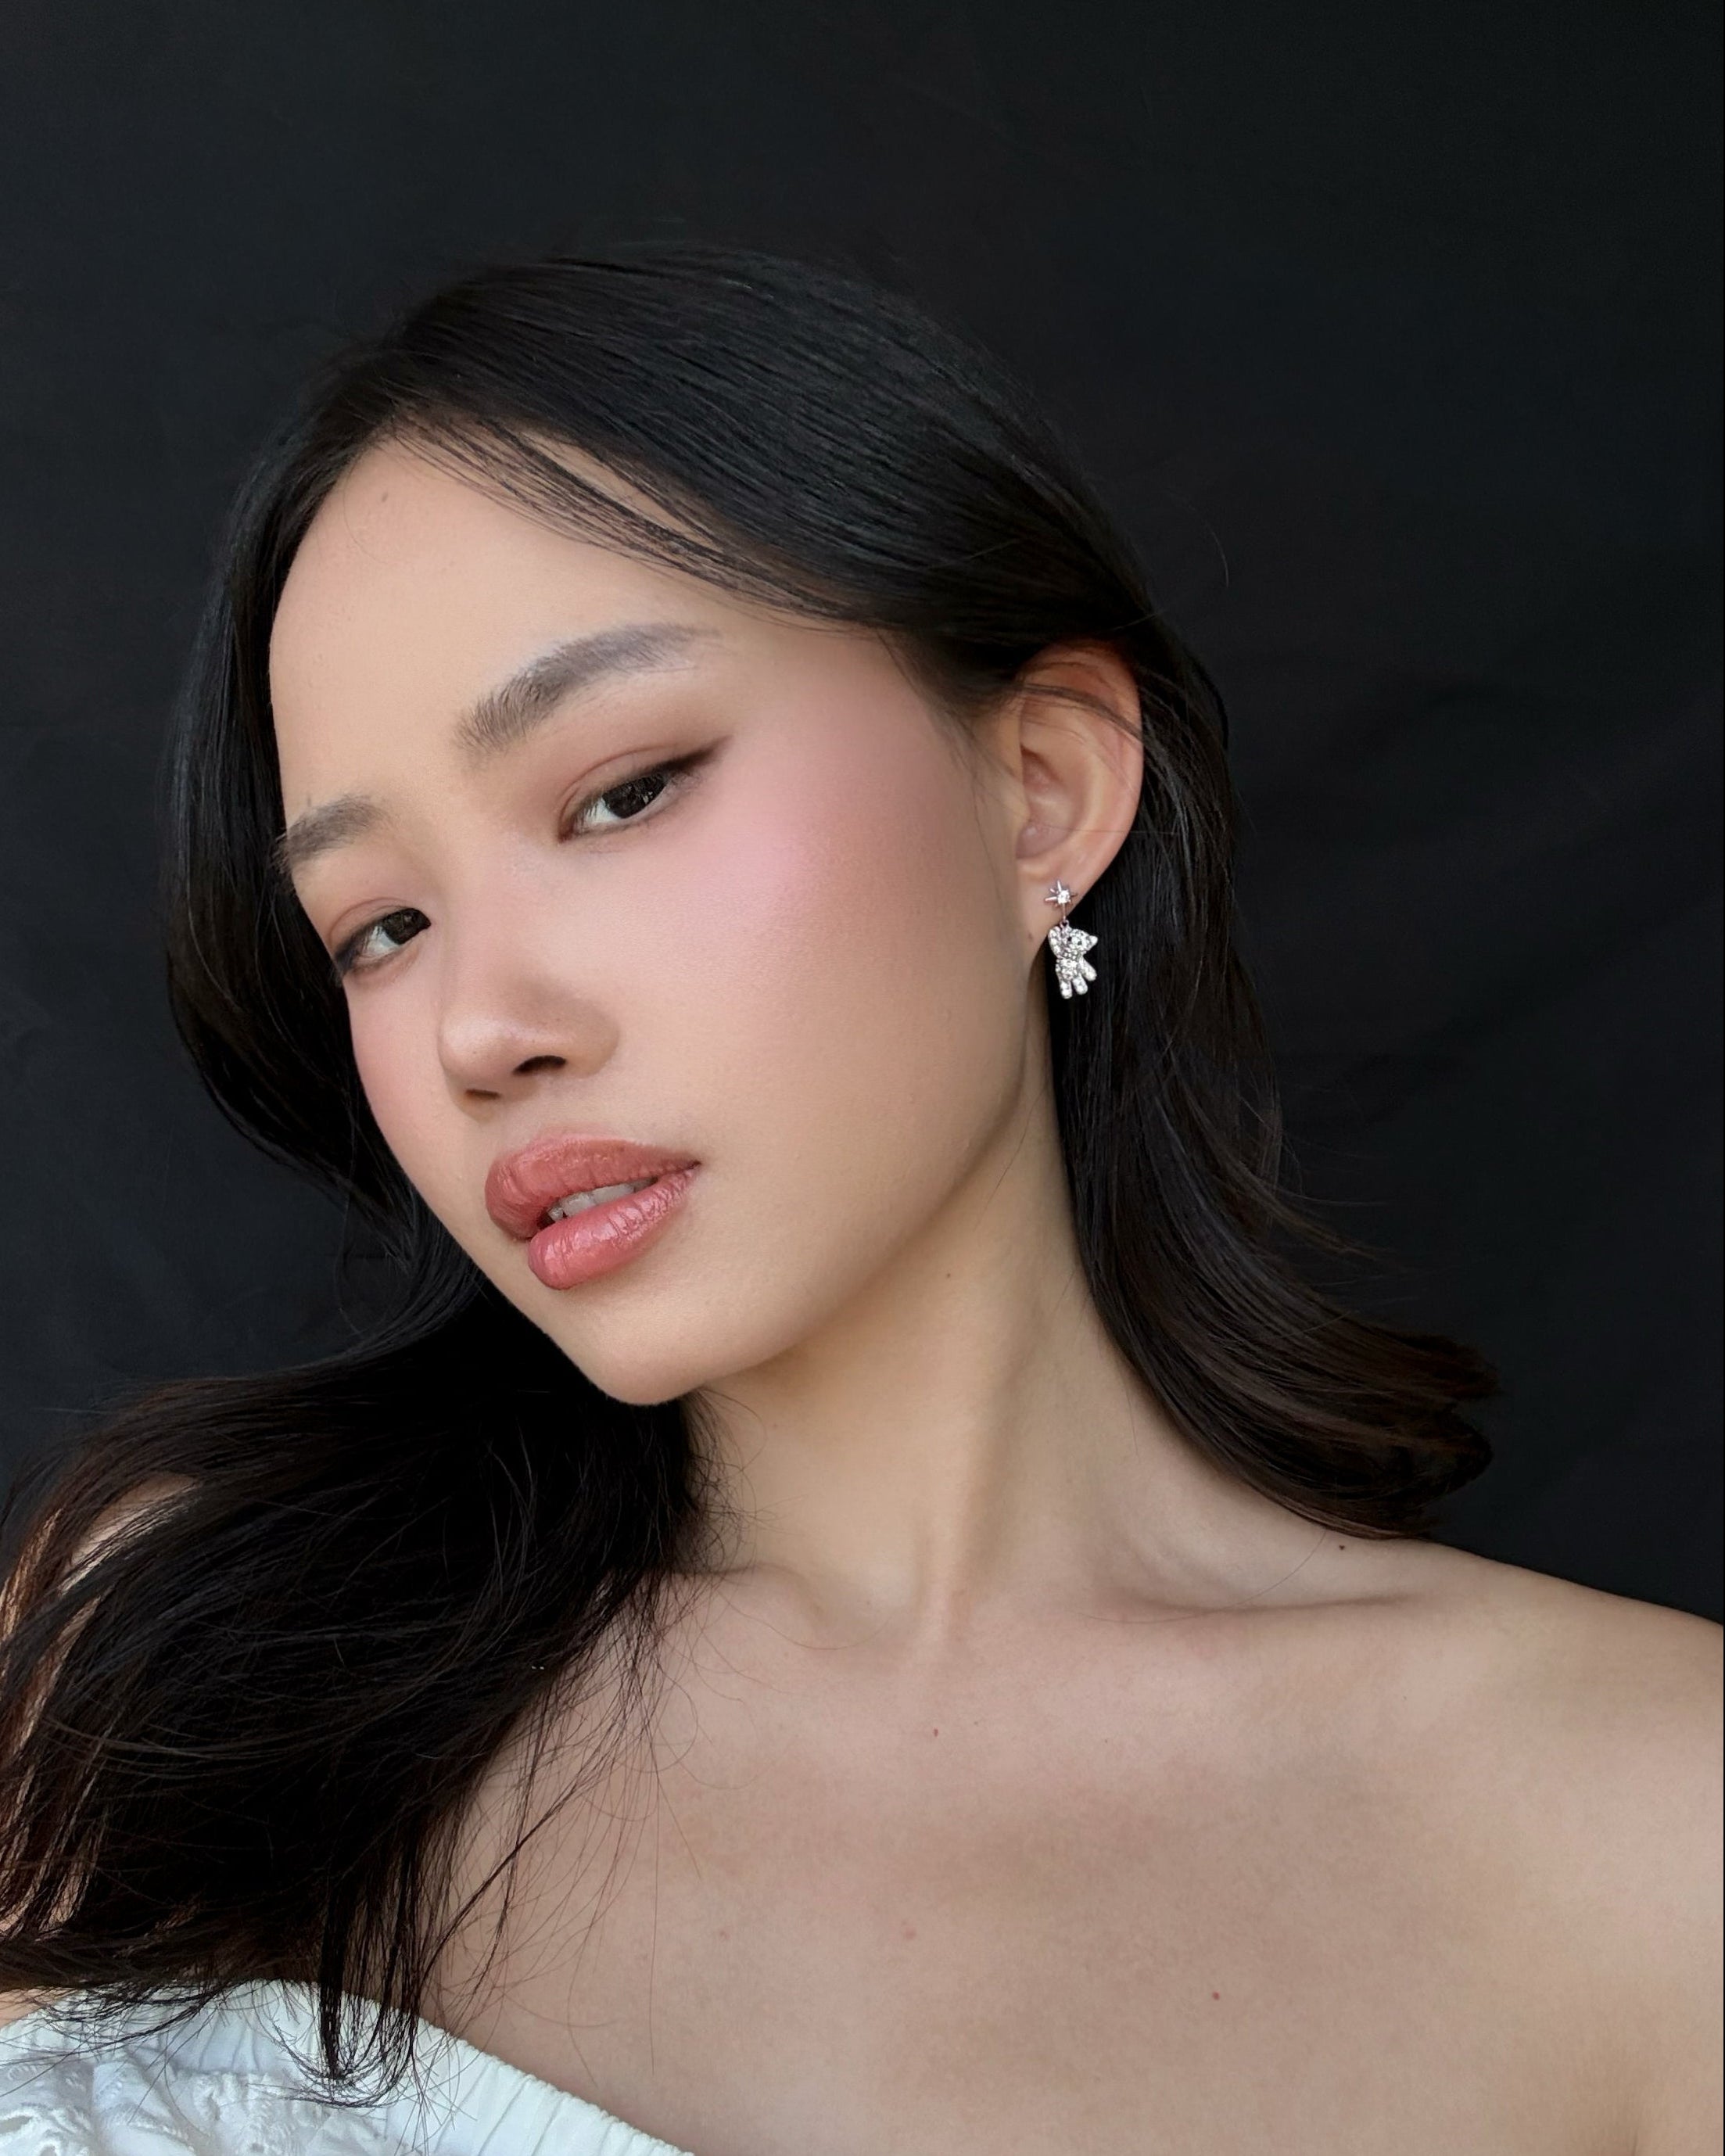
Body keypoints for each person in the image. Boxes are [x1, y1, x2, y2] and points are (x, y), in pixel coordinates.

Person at [0, 247, 1716, 2156]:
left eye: (621, 791)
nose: (481, 1026)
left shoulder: (1653, 1834)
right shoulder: (173, 1661)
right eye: (379, 925)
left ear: (1038, 787)